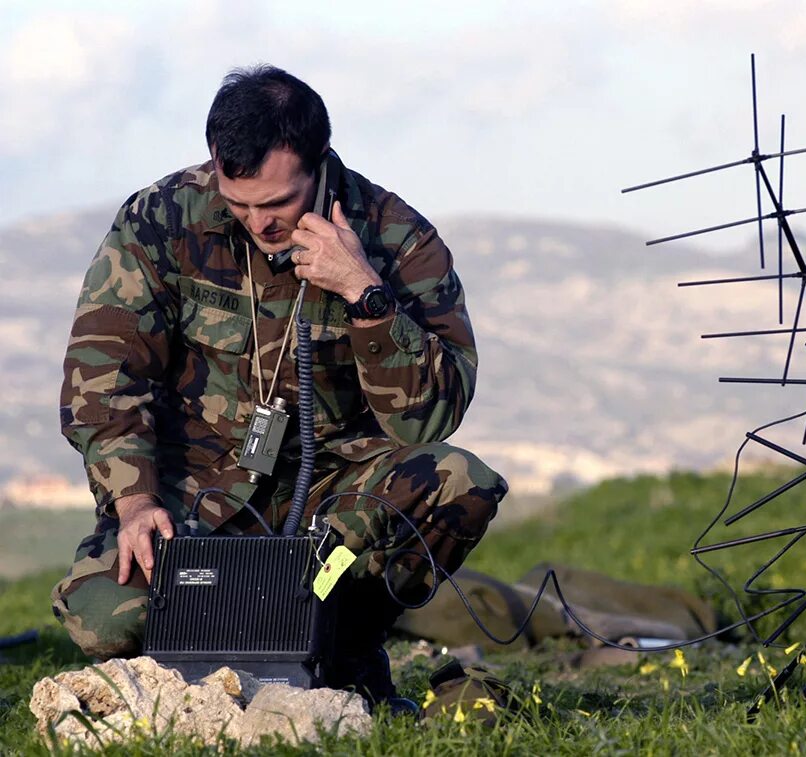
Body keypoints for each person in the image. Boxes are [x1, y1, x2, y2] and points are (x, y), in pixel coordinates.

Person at [51, 65, 507, 698]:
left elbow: (428, 420)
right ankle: (229, 662)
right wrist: (134, 500)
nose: (258, 223)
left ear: (318, 164)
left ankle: (340, 652)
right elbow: (101, 378)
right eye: (239, 204)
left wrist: (363, 293)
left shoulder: (399, 239)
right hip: (197, 490)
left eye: (277, 204)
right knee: (104, 617)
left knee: (462, 482)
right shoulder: (159, 220)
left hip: (333, 501)